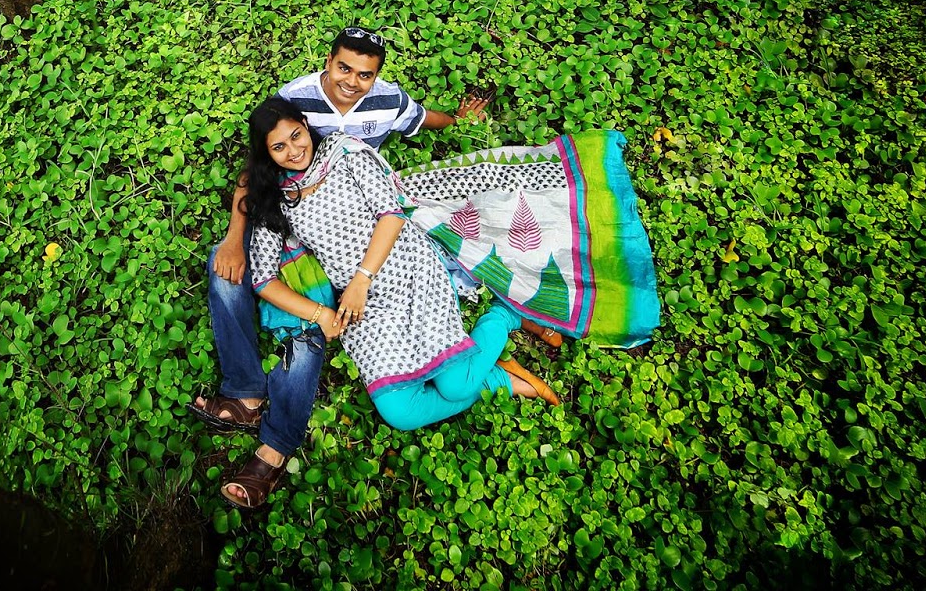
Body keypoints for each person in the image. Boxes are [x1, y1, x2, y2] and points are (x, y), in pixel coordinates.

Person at [216, 97, 661, 508]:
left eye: (296, 134)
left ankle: (504, 317)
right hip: (360, 307)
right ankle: (494, 380)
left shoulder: (344, 151)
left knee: (452, 387)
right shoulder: (277, 198)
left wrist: (362, 279)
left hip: (403, 265)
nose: (293, 149)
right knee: (400, 413)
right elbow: (264, 279)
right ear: (267, 155)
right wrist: (321, 312)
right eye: (279, 146)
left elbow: (392, 212)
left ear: (306, 126)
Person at [190, 28, 490, 492]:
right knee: (249, 281)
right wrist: (235, 236)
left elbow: (420, 122)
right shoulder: (293, 102)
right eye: (344, 68)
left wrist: (459, 122)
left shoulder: (369, 122)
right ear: (327, 60)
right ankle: (246, 394)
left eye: (364, 74)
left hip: (367, 232)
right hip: (304, 232)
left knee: (311, 322)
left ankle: (273, 447)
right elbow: (259, 169)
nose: (351, 81)